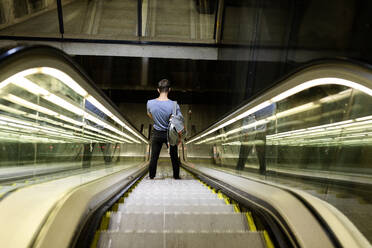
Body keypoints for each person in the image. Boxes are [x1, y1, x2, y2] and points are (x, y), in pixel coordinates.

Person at [147, 79, 183, 179]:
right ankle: (176, 177)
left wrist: (158, 119)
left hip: (156, 133)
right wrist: (179, 137)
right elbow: (177, 122)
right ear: (169, 90)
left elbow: (149, 114)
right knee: (174, 157)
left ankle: (151, 176)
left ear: (158, 90)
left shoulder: (150, 103)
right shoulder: (174, 105)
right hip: (170, 134)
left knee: (154, 157)